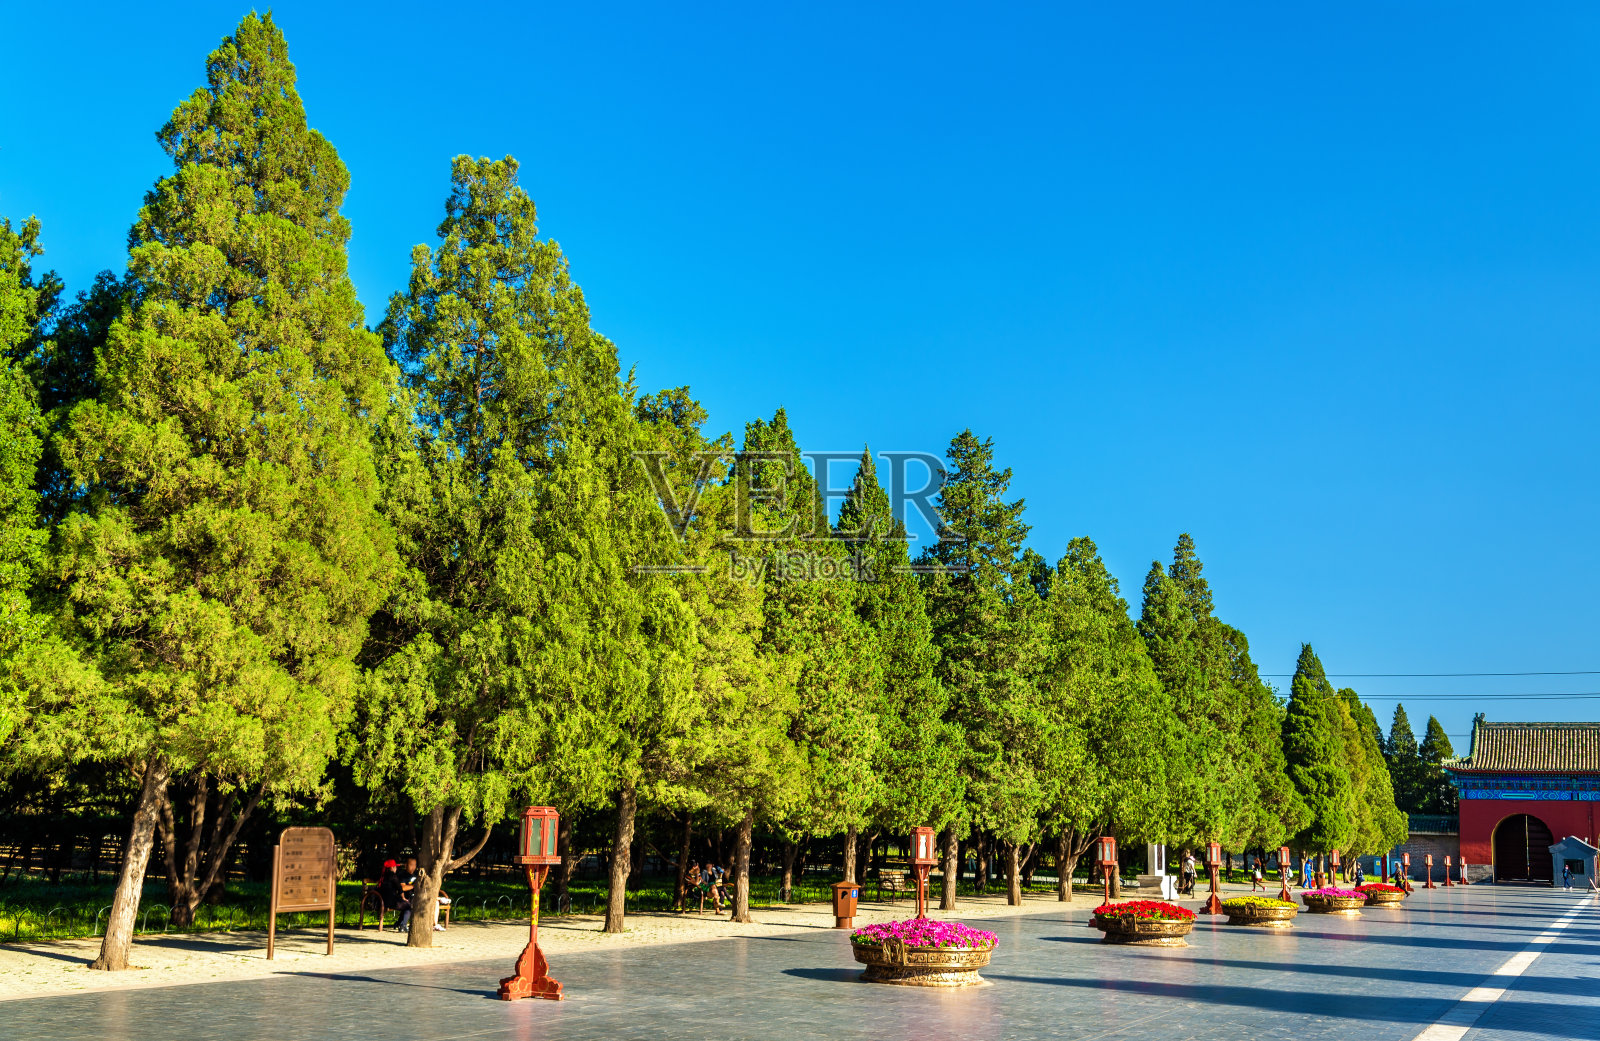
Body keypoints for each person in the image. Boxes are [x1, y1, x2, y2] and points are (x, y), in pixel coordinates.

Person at [378, 859, 408, 932]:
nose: (396, 868)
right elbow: (399, 888)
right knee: (408, 906)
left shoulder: (383, 875)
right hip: (389, 902)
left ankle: (399, 923)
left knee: (406, 905)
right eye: (395, 867)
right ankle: (402, 925)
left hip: (380, 900)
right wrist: (403, 898)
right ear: (391, 868)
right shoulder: (392, 876)